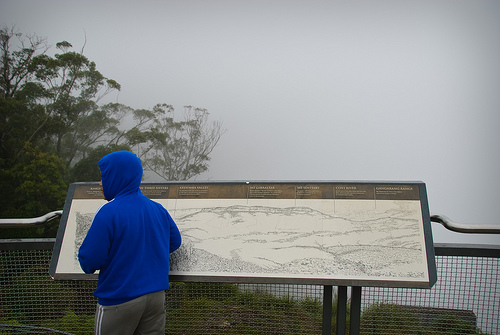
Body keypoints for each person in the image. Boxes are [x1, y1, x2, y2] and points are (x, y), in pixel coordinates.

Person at [78, 150, 181, 335]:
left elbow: (90, 260)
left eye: (104, 177)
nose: (100, 184)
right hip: (156, 298)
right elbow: (174, 241)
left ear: (118, 177)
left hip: (119, 298)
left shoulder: (109, 212)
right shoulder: (157, 209)